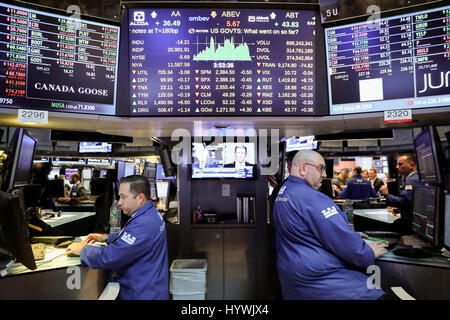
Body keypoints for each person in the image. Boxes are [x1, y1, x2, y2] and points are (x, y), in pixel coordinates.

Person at [273, 150, 387, 300]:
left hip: (296, 280)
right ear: (302, 169)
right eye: (320, 168)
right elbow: (346, 244)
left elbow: (307, 231)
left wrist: (345, 233)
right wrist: (368, 252)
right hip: (324, 281)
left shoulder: (284, 191)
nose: (324, 174)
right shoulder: (312, 197)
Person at [65, 175, 169, 300]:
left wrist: (83, 250)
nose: (119, 202)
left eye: (123, 197)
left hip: (141, 294)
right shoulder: (149, 213)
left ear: (140, 198)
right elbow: (135, 240)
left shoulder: (144, 223)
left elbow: (113, 256)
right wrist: (108, 237)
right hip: (147, 289)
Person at [379, 154, 425, 219]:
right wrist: (399, 209)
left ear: (411, 165)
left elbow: (406, 203)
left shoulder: (412, 179)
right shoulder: (415, 178)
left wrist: (387, 194)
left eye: (400, 164)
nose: (397, 167)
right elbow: (412, 203)